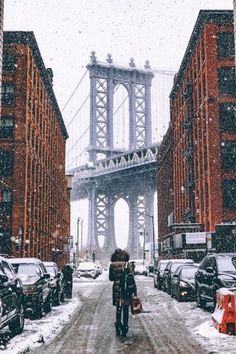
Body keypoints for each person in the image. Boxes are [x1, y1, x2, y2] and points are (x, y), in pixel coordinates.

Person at [109, 248, 137, 337]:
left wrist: (117, 277)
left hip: (117, 289)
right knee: (125, 310)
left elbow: (111, 278)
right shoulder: (127, 265)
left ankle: (118, 326)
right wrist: (134, 291)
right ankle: (125, 327)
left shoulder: (112, 265)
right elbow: (131, 278)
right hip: (126, 290)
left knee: (118, 309)